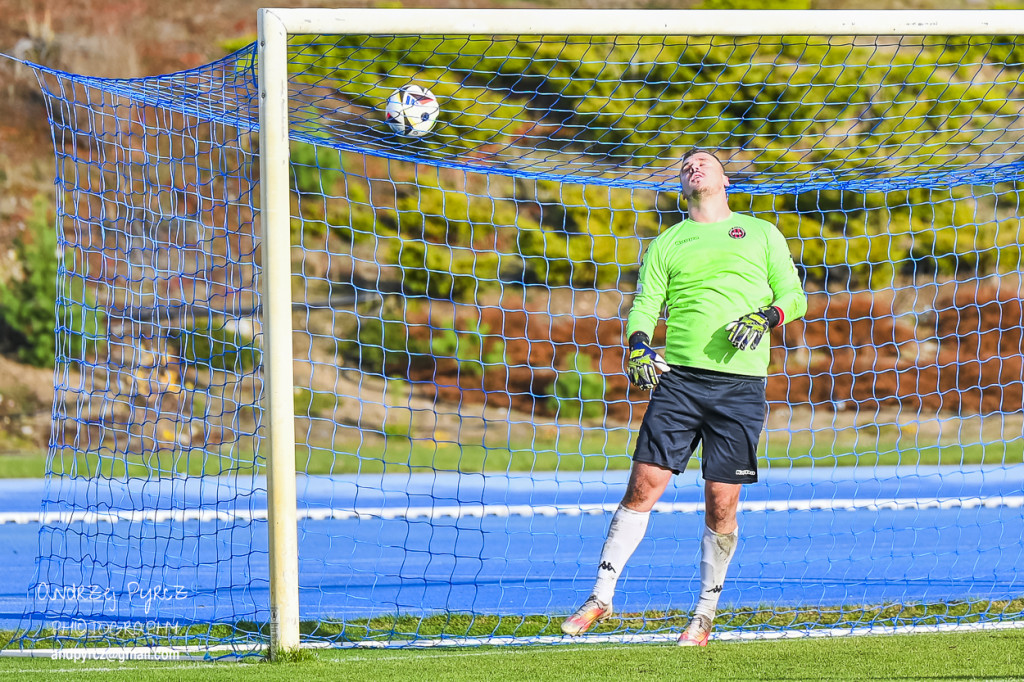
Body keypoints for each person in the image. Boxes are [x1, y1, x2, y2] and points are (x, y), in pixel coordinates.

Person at [560, 149, 807, 646]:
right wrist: (636, 343)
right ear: (682, 187)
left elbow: (793, 296)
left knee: (721, 504)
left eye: (704, 163)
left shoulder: (761, 233)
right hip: (678, 382)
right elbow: (646, 304)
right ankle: (601, 597)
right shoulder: (668, 241)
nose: (695, 167)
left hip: (740, 388)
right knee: (643, 487)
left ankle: (704, 614)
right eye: (686, 166)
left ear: (725, 179)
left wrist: (766, 317)